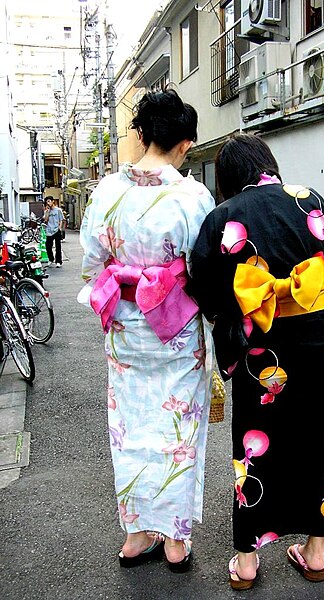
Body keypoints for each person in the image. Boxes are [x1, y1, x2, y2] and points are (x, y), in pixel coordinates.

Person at [191, 133, 324, 590]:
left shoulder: (224, 217)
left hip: (263, 349)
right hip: (319, 343)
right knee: (321, 440)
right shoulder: (309, 199)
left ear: (228, 178)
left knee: (256, 447)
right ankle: (315, 554)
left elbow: (203, 283)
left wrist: (235, 309)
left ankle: (245, 562)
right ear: (269, 164)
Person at [77, 89, 215, 571]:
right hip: (176, 330)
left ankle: (136, 536)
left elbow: (92, 266)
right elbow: (206, 268)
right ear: (184, 143)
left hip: (126, 332)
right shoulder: (193, 196)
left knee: (131, 430)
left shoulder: (106, 193)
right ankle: (176, 543)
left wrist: (127, 277)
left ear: (141, 135)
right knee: (179, 430)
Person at [44, 195, 64, 267]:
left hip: (56, 230)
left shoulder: (58, 210)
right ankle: (51, 259)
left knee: (58, 246)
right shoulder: (46, 211)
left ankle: (58, 261)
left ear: (53, 201)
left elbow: (61, 219)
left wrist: (59, 228)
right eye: (47, 202)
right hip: (49, 230)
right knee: (48, 246)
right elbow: (46, 220)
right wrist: (48, 211)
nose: (48, 203)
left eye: (49, 201)